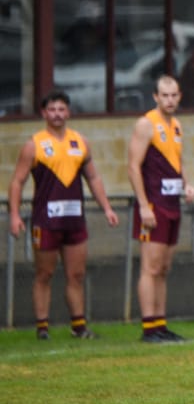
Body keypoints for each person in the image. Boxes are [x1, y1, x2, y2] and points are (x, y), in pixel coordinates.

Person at [7, 90, 119, 339]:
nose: (57, 114)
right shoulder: (34, 145)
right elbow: (17, 181)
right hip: (46, 220)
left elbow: (93, 177)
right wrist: (14, 215)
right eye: (52, 110)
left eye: (61, 109)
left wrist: (107, 208)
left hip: (74, 219)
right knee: (44, 273)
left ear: (68, 112)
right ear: (44, 113)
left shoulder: (80, 141)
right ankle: (42, 327)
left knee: (76, 274)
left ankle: (79, 327)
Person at [127, 75, 194, 343]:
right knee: (150, 267)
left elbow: (177, 161)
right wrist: (144, 206)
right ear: (155, 97)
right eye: (164, 95)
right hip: (153, 204)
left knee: (164, 267)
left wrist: (187, 185)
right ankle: (149, 327)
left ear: (179, 96)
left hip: (172, 204)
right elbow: (133, 166)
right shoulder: (146, 124)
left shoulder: (176, 125)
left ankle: (160, 323)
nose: (169, 100)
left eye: (174, 95)